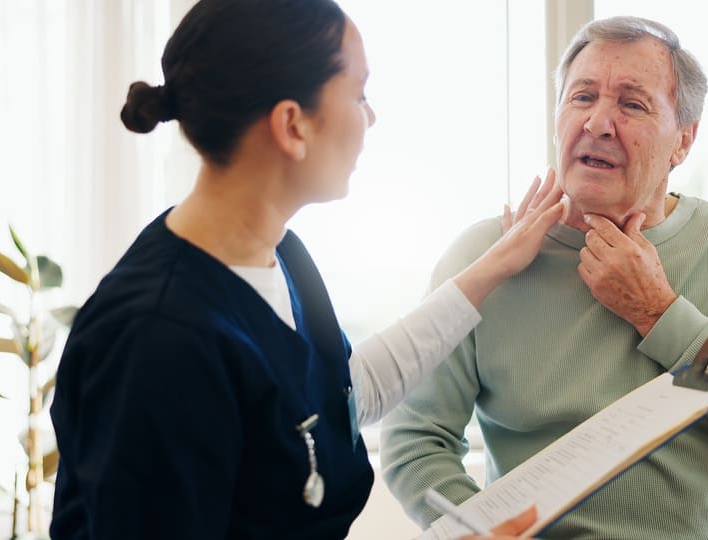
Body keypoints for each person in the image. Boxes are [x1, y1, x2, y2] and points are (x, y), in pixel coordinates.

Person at [48, 0, 564, 538]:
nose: (371, 117)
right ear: (293, 125)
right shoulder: (157, 341)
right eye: (359, 94)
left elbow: (336, 397)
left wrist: (495, 266)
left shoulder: (281, 255)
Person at [379, 15, 708, 540]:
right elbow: (414, 439)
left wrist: (661, 314)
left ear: (683, 142)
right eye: (581, 97)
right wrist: (484, 532)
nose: (598, 122)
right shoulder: (486, 257)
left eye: (632, 103)